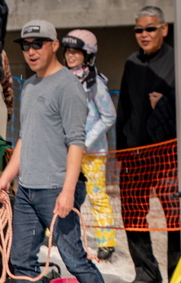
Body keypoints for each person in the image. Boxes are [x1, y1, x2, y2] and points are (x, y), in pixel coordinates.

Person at [0, 21, 126, 283]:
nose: (31, 51)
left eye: (38, 44)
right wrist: (4, 180)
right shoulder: (31, 86)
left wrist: (68, 191)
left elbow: (77, 142)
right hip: (27, 188)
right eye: (25, 45)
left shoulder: (68, 86)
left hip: (56, 188)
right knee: (20, 256)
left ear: (53, 45)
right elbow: (25, 138)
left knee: (73, 256)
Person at [115, 5, 181, 283]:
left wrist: (168, 102)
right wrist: (121, 149)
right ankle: (146, 274)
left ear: (164, 29)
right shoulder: (131, 63)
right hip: (136, 153)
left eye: (150, 28)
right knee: (132, 213)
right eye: (139, 29)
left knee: (176, 213)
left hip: (170, 154)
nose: (144, 34)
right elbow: (124, 108)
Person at [61, 29, 117, 261]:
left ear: (88, 55)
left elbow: (108, 116)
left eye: (77, 52)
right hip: (66, 149)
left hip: (90, 152)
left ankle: (106, 241)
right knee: (62, 191)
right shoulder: (62, 78)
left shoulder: (95, 84)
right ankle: (53, 231)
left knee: (96, 195)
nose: (71, 56)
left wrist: (85, 141)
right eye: (68, 51)